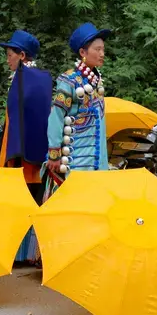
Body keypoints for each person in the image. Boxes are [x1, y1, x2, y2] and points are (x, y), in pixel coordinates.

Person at [0, 30, 52, 265]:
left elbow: (35, 119)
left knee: (24, 199)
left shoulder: (33, 80)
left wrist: (19, 151)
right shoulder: (27, 79)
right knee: (17, 200)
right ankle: (18, 252)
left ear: (22, 55)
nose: (7, 59)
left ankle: (26, 253)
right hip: (16, 149)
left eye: (10, 54)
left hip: (26, 156)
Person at [42, 23, 109, 201]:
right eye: (98, 49)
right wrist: (54, 154)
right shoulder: (70, 81)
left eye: (103, 49)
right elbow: (56, 117)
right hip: (77, 158)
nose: (102, 54)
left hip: (97, 161)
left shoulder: (97, 81)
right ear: (83, 53)